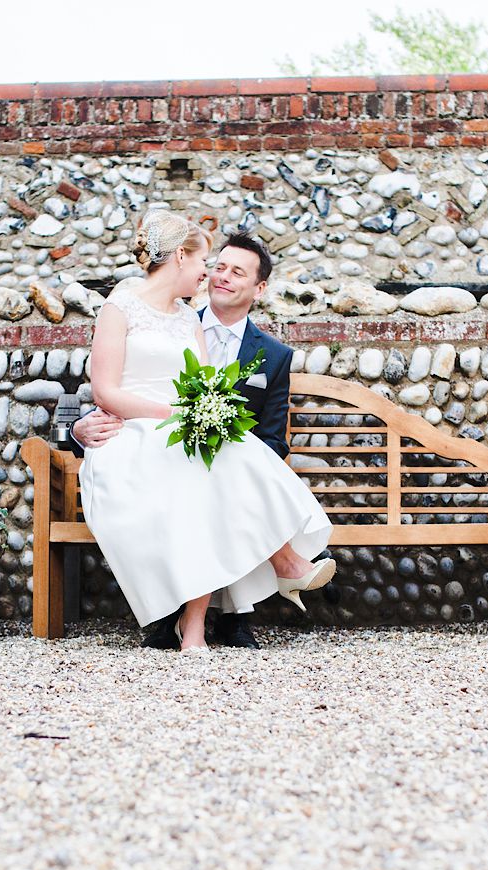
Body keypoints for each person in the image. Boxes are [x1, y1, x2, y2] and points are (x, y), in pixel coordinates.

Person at [77, 211, 334, 653]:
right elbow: (104, 389)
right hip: (132, 437)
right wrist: (174, 416)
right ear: (180, 256)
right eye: (208, 263)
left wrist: (203, 419)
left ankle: (198, 625)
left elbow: (206, 389)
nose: (210, 273)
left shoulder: (188, 320)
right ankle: (284, 560)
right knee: (201, 465)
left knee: (214, 457)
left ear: (259, 287)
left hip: (183, 437)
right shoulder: (120, 307)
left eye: (232, 269)